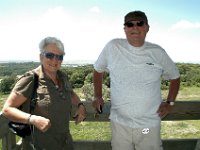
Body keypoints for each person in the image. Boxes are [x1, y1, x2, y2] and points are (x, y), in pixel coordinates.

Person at [92, 10, 180, 150]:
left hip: (148, 127)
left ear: (147, 28)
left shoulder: (158, 52)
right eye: (130, 24)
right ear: (125, 28)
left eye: (140, 23)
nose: (135, 27)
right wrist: (98, 96)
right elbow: (98, 70)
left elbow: (175, 77)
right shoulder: (113, 47)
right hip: (119, 125)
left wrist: (170, 103)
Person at [2, 36, 86, 150]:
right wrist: (33, 119)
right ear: (41, 57)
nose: (55, 60)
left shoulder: (63, 77)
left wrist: (80, 105)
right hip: (39, 145)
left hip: (65, 143)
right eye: (50, 55)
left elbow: (70, 93)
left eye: (59, 57)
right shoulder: (31, 79)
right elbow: (7, 109)